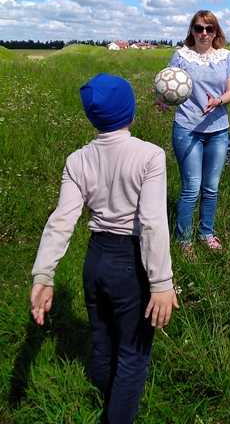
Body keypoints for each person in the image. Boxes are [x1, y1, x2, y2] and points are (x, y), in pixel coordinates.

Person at [30, 74, 178, 424]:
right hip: (130, 263)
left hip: (95, 260)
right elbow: (153, 223)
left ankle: (103, 392)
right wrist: (161, 283)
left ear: (92, 117)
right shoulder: (150, 156)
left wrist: (43, 275)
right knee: (133, 354)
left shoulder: (77, 160)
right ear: (131, 112)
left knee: (102, 336)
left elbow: (61, 221)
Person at [169, 10, 230, 254]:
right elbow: (170, 85)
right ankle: (184, 240)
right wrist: (163, 100)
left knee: (211, 187)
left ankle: (206, 233)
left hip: (218, 131)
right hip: (187, 129)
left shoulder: (226, 56)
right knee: (191, 187)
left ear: (216, 31)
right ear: (192, 30)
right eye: (199, 28)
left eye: (209, 29)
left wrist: (219, 101)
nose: (204, 33)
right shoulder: (181, 56)